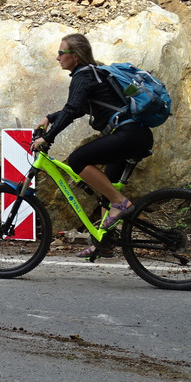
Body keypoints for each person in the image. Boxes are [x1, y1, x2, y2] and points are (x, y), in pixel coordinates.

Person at [30, 33, 154, 258]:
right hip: (134, 134)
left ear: (75, 56)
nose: (57, 58)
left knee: (78, 160)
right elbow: (78, 109)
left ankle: (122, 204)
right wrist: (49, 117)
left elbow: (71, 109)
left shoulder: (83, 76)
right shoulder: (93, 74)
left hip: (128, 134)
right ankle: (103, 243)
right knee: (108, 189)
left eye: (61, 53)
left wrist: (47, 138)